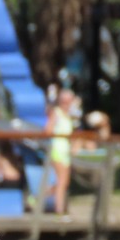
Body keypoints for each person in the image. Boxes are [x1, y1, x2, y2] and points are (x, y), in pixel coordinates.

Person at [45, 87, 76, 216]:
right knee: (62, 182)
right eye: (64, 101)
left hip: (66, 152)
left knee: (64, 182)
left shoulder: (69, 115)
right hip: (57, 150)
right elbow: (47, 130)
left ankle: (38, 197)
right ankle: (59, 211)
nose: (66, 104)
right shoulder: (56, 113)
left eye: (68, 101)